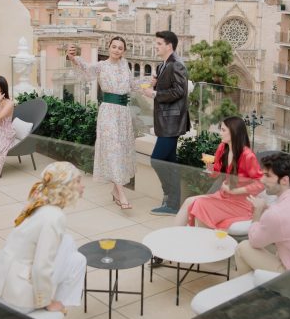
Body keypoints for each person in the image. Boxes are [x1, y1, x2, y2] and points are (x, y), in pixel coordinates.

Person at [0, 162, 86, 319]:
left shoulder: (40, 203)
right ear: (66, 186)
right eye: (78, 181)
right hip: (16, 298)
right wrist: (46, 302)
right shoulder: (54, 217)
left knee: (75, 255)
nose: (83, 185)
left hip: (3, 282)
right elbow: (41, 266)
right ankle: (56, 317)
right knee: (75, 261)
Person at [67, 37, 139, 209]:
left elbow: (133, 85)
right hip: (108, 113)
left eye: (120, 48)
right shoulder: (101, 66)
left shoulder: (125, 65)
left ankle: (115, 191)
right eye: (114, 46)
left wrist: (150, 86)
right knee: (113, 149)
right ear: (108, 48)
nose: (116, 50)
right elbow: (86, 68)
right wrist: (73, 58)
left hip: (123, 114)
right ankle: (122, 194)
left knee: (121, 150)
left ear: (124, 51)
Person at [175, 116, 265, 229]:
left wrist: (235, 190)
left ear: (234, 132)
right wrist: (210, 167)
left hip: (240, 203)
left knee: (201, 205)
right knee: (189, 201)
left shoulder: (247, 156)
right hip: (223, 196)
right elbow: (216, 173)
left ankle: (204, 236)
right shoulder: (222, 148)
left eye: (223, 130)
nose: (220, 133)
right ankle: (174, 235)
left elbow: (261, 183)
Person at [141, 30, 190, 216]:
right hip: (165, 122)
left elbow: (179, 91)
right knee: (170, 163)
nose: (156, 46)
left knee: (157, 160)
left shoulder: (176, 64)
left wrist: (154, 93)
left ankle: (170, 199)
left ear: (169, 46)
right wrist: (154, 83)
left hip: (172, 123)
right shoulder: (163, 65)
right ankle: (172, 204)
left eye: (159, 44)